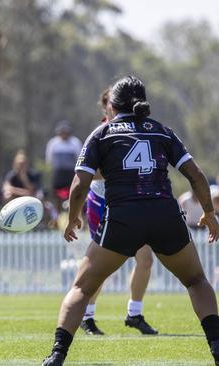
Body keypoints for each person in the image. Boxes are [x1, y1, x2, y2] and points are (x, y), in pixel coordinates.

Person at [42, 75, 219, 366]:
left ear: (111, 104)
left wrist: (73, 218)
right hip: (165, 215)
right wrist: (210, 214)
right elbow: (196, 176)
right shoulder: (163, 131)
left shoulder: (102, 133)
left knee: (82, 288)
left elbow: (78, 186)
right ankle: (216, 344)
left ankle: (57, 355)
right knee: (197, 281)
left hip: (123, 218)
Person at [80, 88, 158, 336]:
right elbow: (90, 172)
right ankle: (87, 316)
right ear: (108, 107)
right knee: (101, 266)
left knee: (145, 258)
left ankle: (134, 314)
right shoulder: (102, 132)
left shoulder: (138, 130)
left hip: (129, 202)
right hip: (103, 201)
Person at [45, 120, 82, 208]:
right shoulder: (53, 143)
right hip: (58, 175)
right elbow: (49, 160)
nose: (64, 134)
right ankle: (56, 218)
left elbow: (80, 158)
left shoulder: (75, 142)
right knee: (57, 197)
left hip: (71, 174)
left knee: (72, 195)